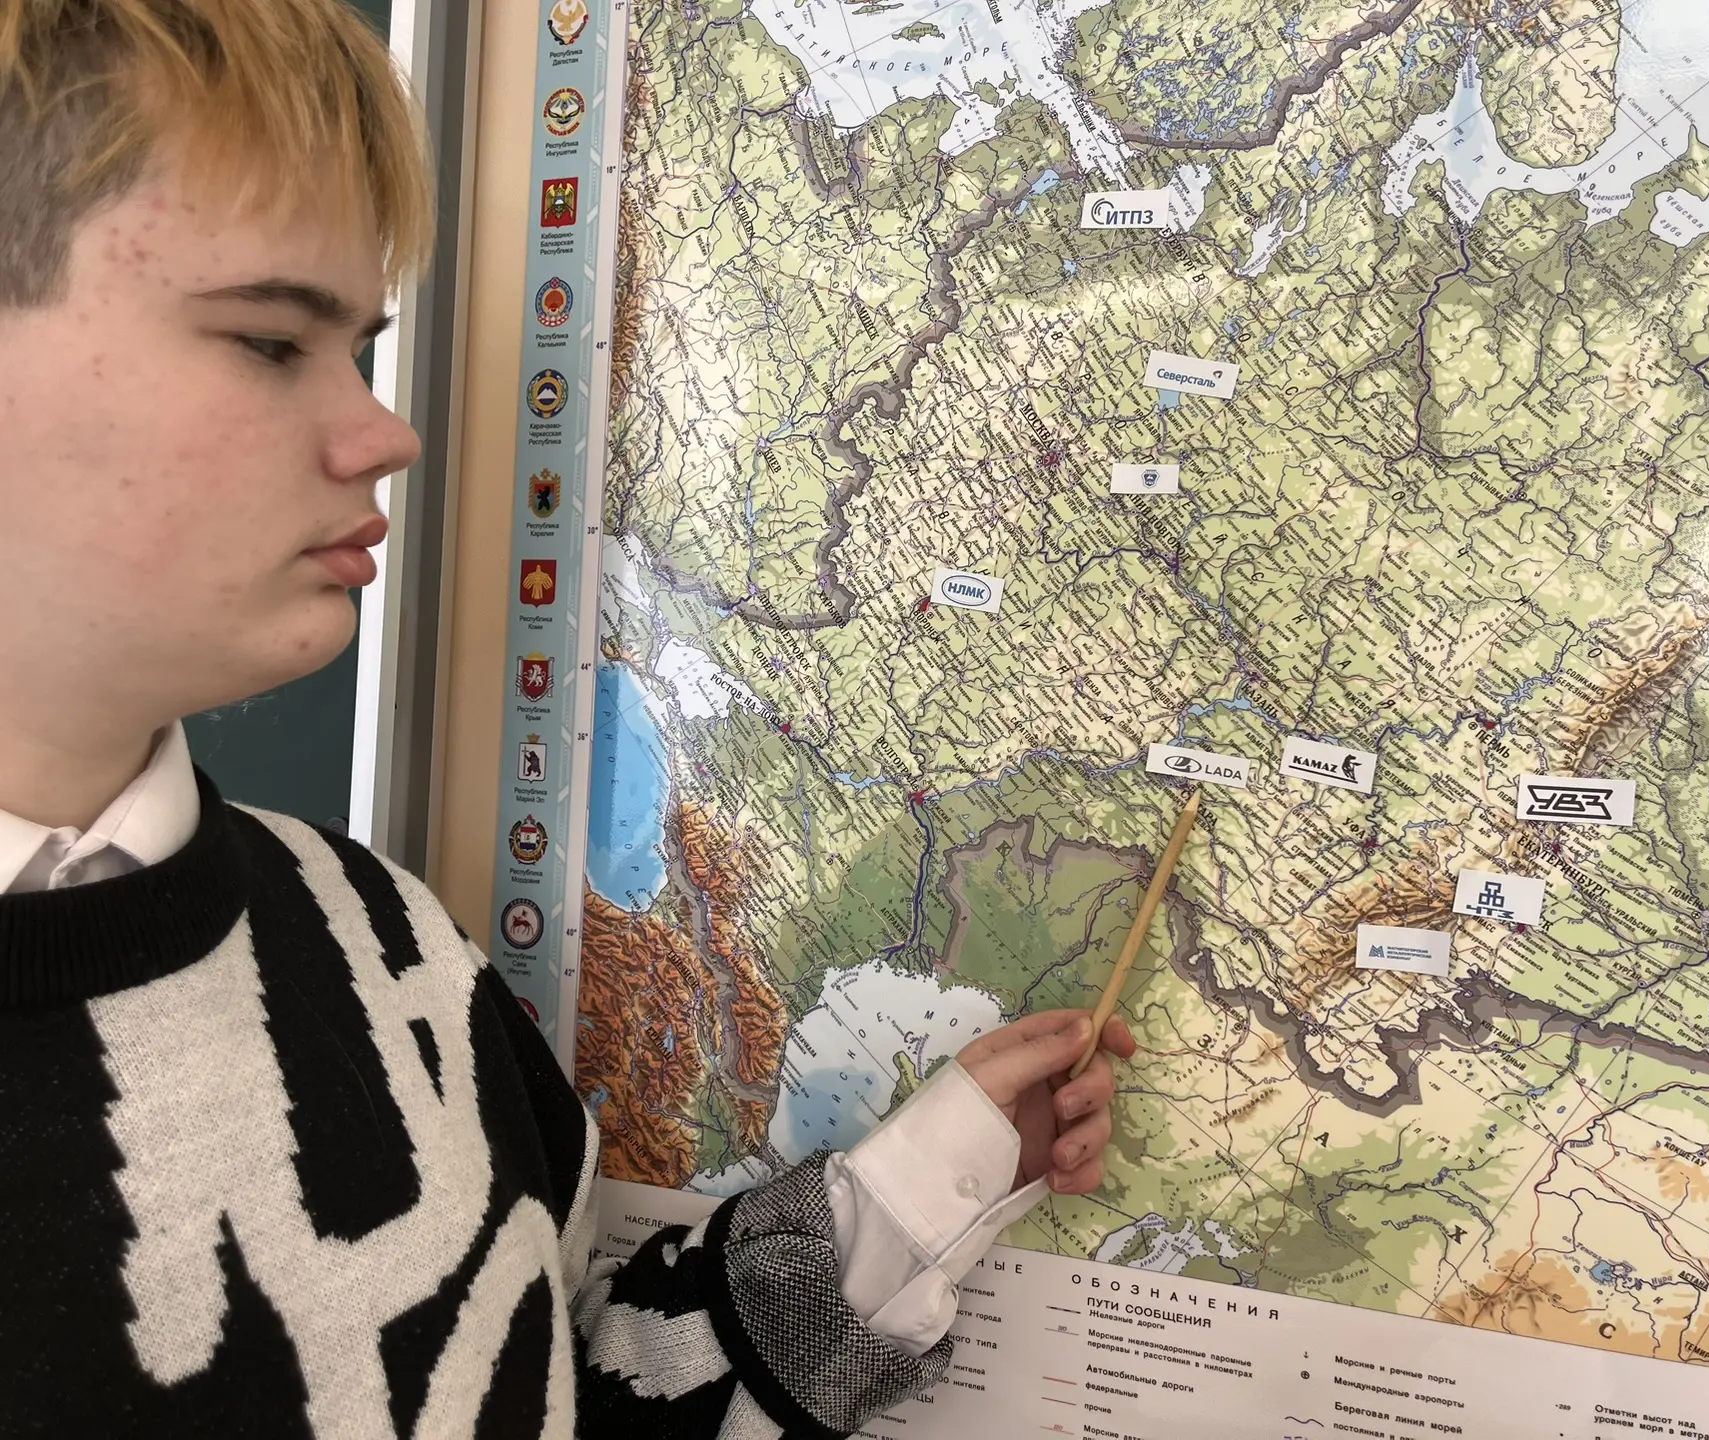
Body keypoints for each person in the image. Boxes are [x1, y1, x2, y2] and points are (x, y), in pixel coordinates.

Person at [0, 1, 1136, 1435]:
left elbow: (537, 1384)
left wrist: (916, 1192)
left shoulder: (388, 951)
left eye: (360, 347)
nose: (385, 432)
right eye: (272, 341)